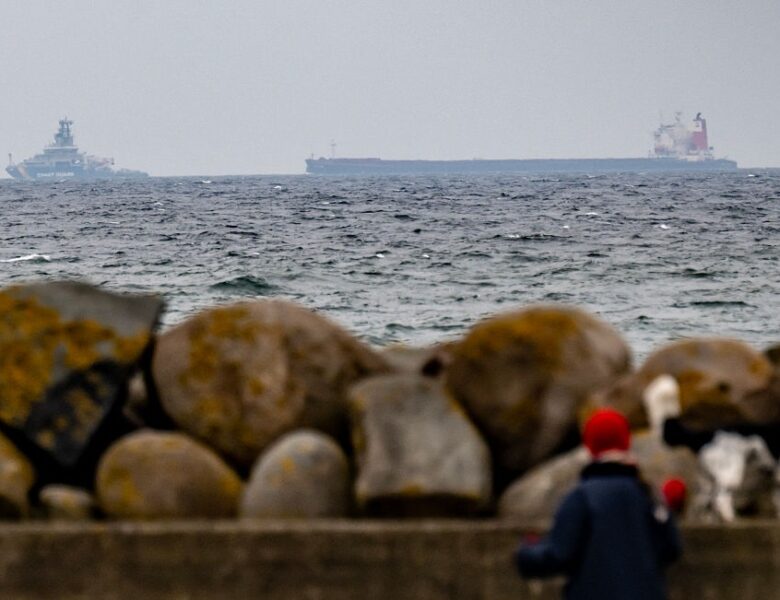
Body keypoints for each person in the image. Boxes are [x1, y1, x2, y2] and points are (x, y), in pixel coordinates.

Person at [515, 408, 682, 600]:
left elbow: (559, 554)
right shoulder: (647, 494)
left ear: (589, 446)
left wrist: (527, 551)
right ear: (627, 442)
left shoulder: (581, 496)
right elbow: (671, 547)